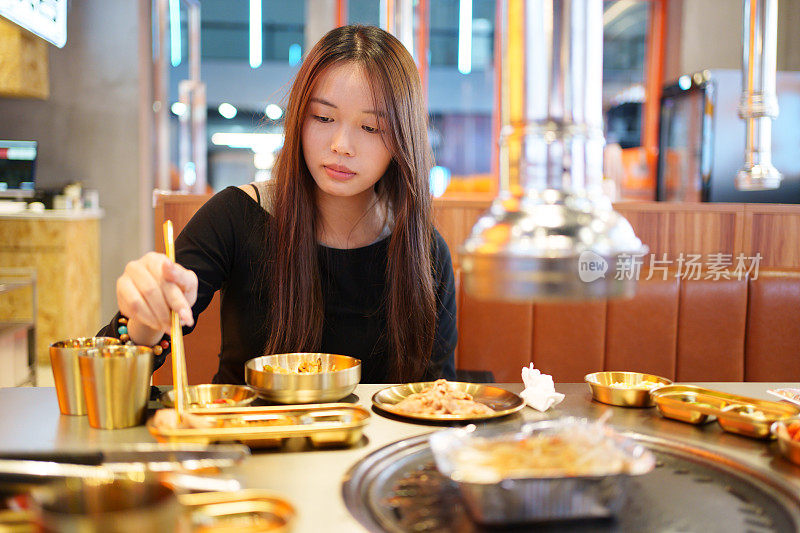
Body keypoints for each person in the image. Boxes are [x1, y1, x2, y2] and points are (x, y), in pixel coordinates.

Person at [98, 25, 457, 384]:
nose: (341, 144)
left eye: (371, 127)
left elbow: (439, 404)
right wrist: (145, 320)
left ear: (402, 139)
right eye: (323, 118)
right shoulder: (236, 215)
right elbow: (105, 374)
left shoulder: (423, 252)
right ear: (299, 118)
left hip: (378, 442)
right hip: (243, 437)